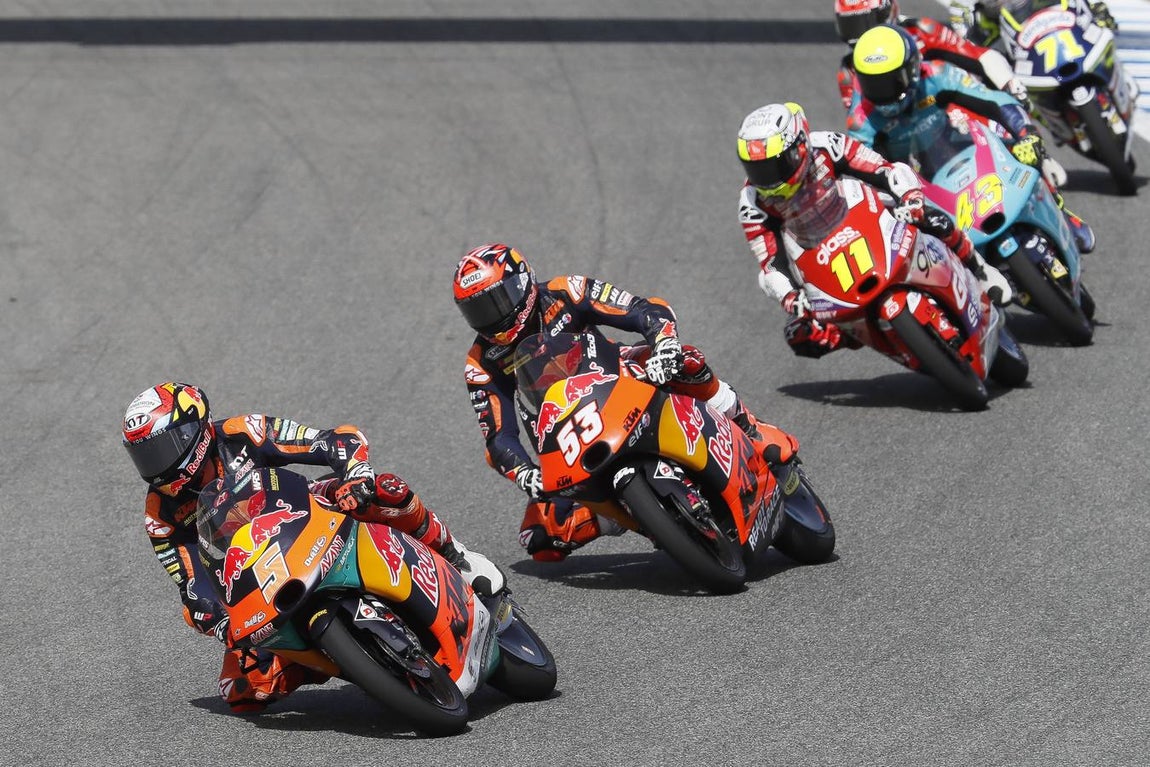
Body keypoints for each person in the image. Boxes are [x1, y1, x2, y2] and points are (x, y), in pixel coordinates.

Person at [122, 381, 503, 714]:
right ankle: (334, 660)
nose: (155, 467)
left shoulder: (244, 432)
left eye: (161, 449)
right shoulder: (160, 514)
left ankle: (457, 556)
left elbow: (331, 440)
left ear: (196, 431)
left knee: (385, 491)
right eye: (143, 457)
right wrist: (219, 622)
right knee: (240, 690)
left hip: (307, 512)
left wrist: (355, 475)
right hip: (259, 575)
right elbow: (191, 584)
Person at [452, 242, 795, 561]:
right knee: (540, 538)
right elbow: (499, 437)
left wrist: (664, 344)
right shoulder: (480, 363)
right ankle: (636, 517)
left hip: (621, 378)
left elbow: (640, 309)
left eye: (496, 300)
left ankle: (748, 426)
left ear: (522, 282)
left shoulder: (565, 291)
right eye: (477, 310)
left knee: (686, 361)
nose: (491, 316)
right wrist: (525, 473)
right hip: (566, 433)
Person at [737, 101, 1012, 359]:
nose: (768, 180)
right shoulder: (752, 203)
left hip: (865, 219)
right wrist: (791, 298)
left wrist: (910, 199)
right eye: (757, 170)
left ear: (799, 147)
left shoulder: (826, 146)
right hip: (821, 261)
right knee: (802, 336)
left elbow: (883, 170)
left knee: (932, 219)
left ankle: (980, 269)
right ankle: (855, 334)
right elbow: (771, 264)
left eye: (774, 165)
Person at [845, 24, 1095, 253]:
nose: (883, 93)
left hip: (956, 144)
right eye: (872, 84)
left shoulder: (935, 75)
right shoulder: (861, 119)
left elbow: (994, 101)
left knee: (1019, 147)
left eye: (891, 81)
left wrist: (1025, 133)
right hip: (916, 180)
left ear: (911, 68)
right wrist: (892, 199)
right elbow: (864, 172)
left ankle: (1061, 213)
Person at [835, 0, 1031, 113]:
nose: (861, 34)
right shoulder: (848, 72)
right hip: (907, 140)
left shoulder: (921, 30)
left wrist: (1009, 83)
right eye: (851, 26)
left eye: (865, 23)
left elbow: (978, 56)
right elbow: (863, 125)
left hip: (954, 113)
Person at [948, 0, 1117, 48]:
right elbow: (959, 9)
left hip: (1044, 13)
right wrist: (967, 46)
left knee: (1096, 21)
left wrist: (1091, 6)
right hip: (1002, 31)